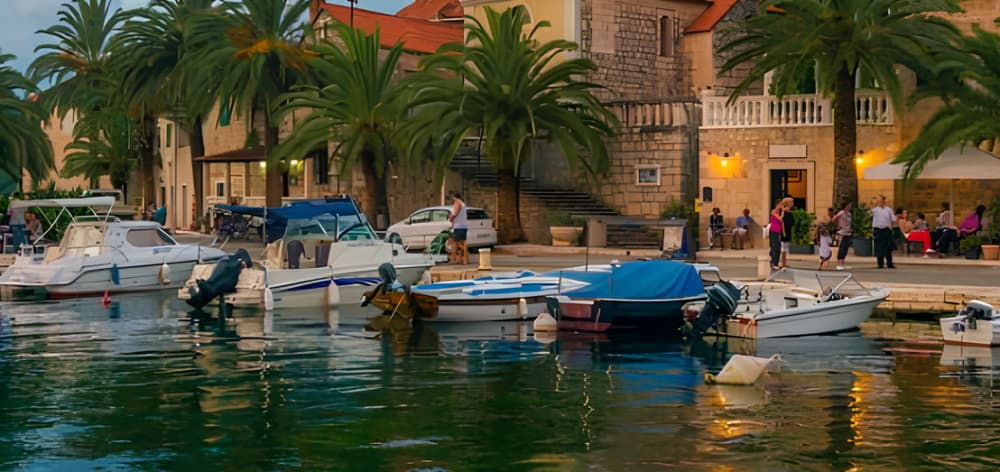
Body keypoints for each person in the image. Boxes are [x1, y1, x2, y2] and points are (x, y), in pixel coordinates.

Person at [872, 195, 895, 269]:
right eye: (879, 200)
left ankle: (889, 263)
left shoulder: (889, 210)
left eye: (882, 200)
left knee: (888, 247)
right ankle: (880, 263)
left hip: (886, 230)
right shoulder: (875, 210)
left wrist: (891, 228)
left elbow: (893, 219)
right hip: (878, 230)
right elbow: (869, 213)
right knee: (879, 247)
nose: (880, 202)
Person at [447, 192, 468, 265]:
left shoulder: (458, 203)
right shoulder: (462, 204)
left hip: (459, 227)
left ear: (454, 197)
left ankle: (453, 259)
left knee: (454, 243)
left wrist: (450, 218)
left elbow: (455, 214)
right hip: (463, 226)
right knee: (461, 243)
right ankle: (461, 260)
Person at [832, 201, 853, 270]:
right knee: (842, 248)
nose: (850, 206)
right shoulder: (841, 212)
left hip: (848, 232)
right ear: (846, 206)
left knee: (845, 249)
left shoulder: (849, 214)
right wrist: (838, 225)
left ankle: (842, 262)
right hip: (842, 233)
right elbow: (834, 219)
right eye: (849, 205)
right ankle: (839, 263)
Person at [768, 199, 784, 270]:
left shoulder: (779, 212)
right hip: (773, 231)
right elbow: (780, 218)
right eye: (780, 204)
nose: (781, 206)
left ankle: (775, 263)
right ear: (777, 204)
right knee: (775, 247)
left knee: (778, 247)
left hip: (778, 232)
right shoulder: (773, 211)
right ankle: (774, 263)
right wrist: (783, 211)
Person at [780, 197, 794, 269]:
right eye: (791, 202)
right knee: (783, 248)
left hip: (787, 231)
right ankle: (783, 263)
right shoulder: (783, 212)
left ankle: (784, 263)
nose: (792, 203)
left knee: (785, 248)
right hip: (784, 232)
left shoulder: (789, 212)